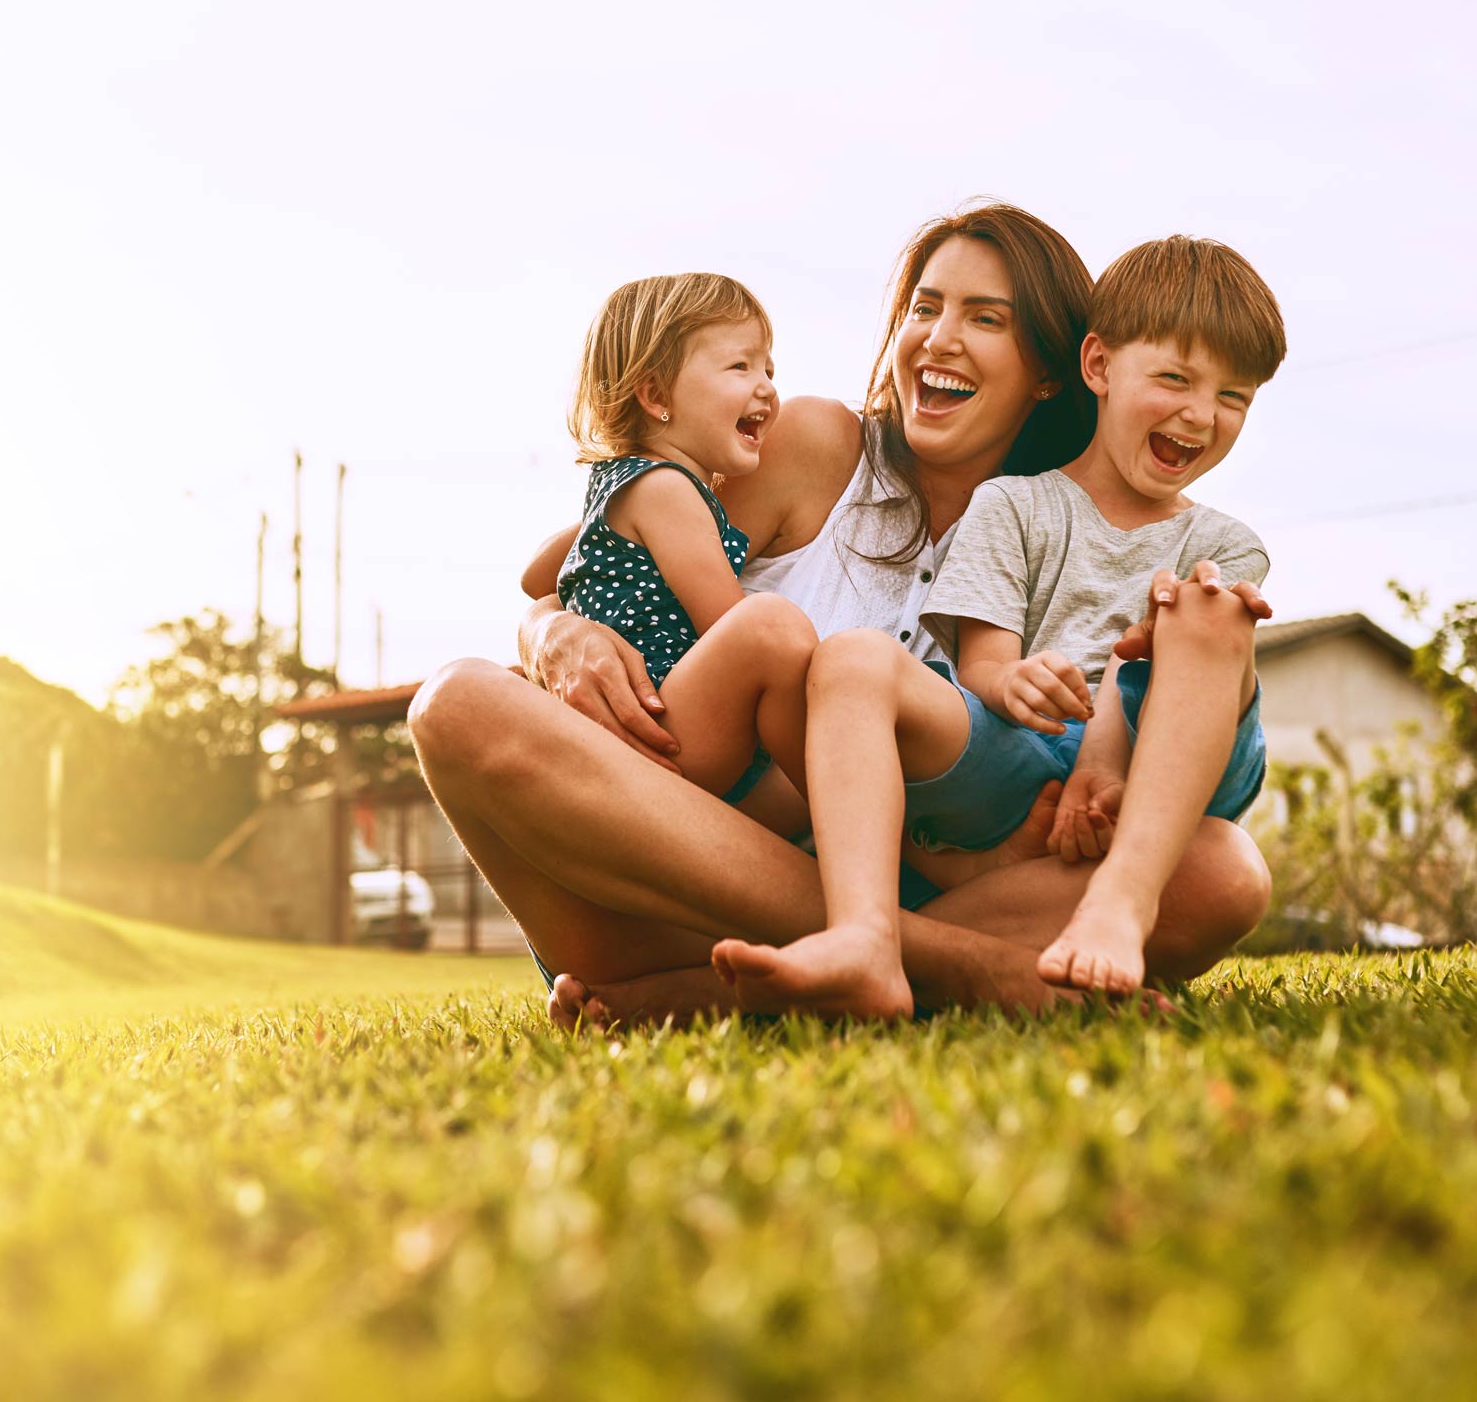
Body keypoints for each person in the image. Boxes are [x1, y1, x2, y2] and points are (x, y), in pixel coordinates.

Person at [408, 203, 1276, 1027]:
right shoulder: (814, 446)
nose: (938, 338)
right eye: (924, 307)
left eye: (984, 318)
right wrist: (556, 632)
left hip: (928, 890)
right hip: (662, 882)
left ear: (1052, 372)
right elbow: (602, 550)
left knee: (1221, 871)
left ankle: (747, 983)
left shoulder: (1073, 535)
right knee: (455, 703)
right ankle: (949, 965)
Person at [712, 236, 1285, 1019]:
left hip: (1167, 765)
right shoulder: (1013, 504)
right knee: (852, 659)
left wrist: (1110, 760)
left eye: (1233, 398)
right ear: (1098, 367)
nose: (1199, 414)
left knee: (1204, 612)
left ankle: (1120, 902)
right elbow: (981, 661)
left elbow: (1161, 670)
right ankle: (864, 938)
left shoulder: (1225, 543)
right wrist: (1010, 679)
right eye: (1176, 379)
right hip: (1028, 756)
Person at [553, 271, 815, 835]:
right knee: (771, 627)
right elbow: (731, 625)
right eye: (740, 366)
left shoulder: (618, 484)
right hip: (665, 727)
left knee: (834, 801)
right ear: (655, 395)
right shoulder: (668, 490)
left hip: (652, 733)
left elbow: (538, 576)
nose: (767, 386)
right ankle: (844, 800)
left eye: (769, 368)